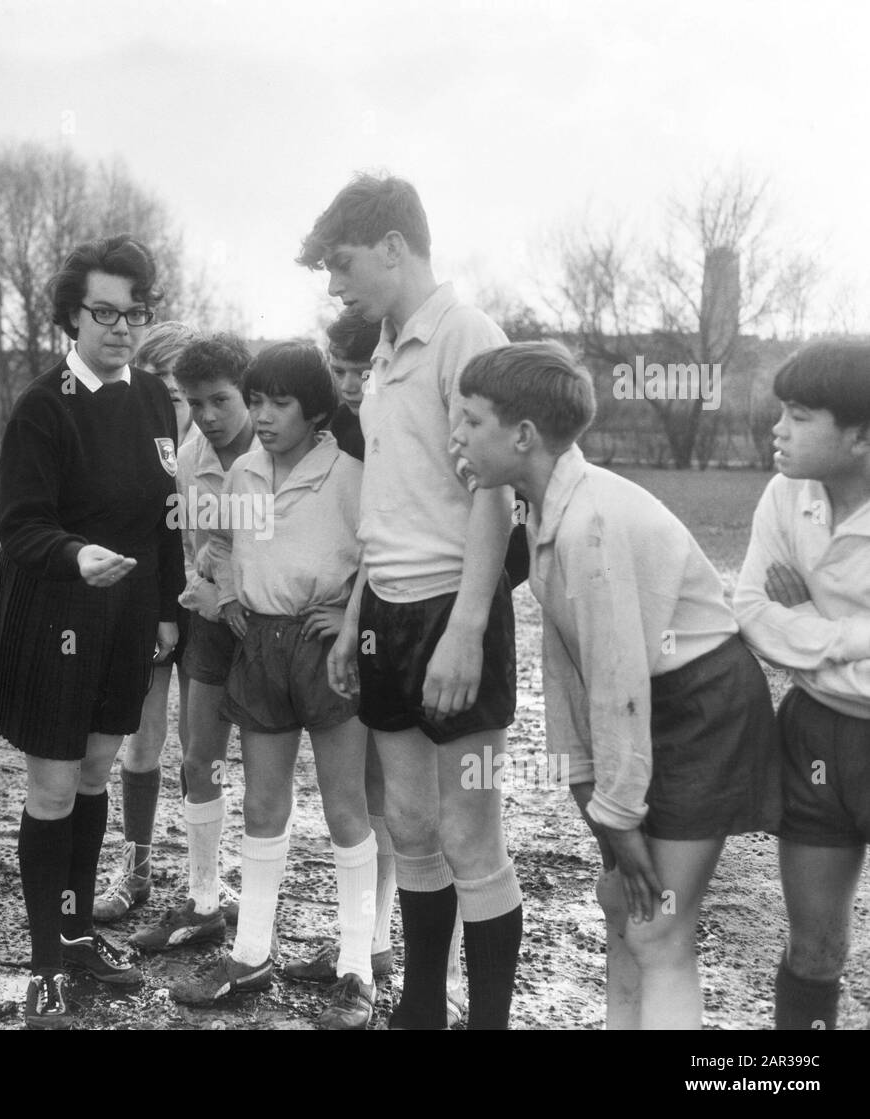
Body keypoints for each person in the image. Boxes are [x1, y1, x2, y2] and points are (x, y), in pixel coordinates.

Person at [452, 339, 781, 1028]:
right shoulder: (546, 509)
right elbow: (571, 665)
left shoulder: (590, 522)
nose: (457, 433)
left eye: (471, 419)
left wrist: (620, 811)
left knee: (659, 925)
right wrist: (587, 786)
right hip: (653, 706)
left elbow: (618, 675)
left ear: (523, 435)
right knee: (622, 903)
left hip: (702, 709)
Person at [302, 174, 522, 1029]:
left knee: (473, 835)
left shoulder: (469, 337)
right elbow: (387, 507)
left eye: (343, 263)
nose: (335, 284)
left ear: (395, 246)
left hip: (455, 612)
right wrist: (357, 615)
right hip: (386, 612)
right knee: (414, 827)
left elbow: (494, 496)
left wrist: (467, 628)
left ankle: (490, 1020)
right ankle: (421, 1009)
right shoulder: (385, 349)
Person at [0, 235, 184, 1029]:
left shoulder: (157, 398)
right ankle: (45, 966)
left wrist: (164, 606)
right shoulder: (42, 405)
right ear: (71, 315)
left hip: (127, 616)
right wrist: (76, 554)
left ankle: (76, 930)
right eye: (106, 310)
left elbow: (165, 522)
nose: (123, 325)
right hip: (57, 610)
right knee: (56, 785)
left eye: (136, 311)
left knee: (98, 772)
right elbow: (20, 528)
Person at [167, 341, 377, 1028]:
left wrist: (349, 614)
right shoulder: (245, 473)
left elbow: (379, 555)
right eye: (254, 400)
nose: (261, 414)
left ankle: (355, 968)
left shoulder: (348, 474)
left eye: (278, 402)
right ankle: (251, 953)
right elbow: (224, 545)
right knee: (263, 804)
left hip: (325, 652)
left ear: (316, 409)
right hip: (260, 646)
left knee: (347, 807)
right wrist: (224, 592)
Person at [278, 311, 466, 1024]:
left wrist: (452, 614)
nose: (354, 383)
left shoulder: (417, 422)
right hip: (370, 635)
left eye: (365, 369)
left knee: (430, 813)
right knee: (376, 801)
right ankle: (372, 943)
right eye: (343, 369)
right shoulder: (342, 434)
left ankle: (433, 979)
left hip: (429, 628)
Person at [733, 340, 870, 1030]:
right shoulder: (785, 493)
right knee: (814, 945)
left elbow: (784, 626)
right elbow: (754, 613)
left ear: (861, 433)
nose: (777, 430)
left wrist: (806, 617)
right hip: (816, 724)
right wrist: (850, 632)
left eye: (800, 415)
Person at [129, 333, 254, 952]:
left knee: (266, 773)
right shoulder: (188, 455)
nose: (205, 415)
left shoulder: (288, 447)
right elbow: (189, 547)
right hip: (209, 623)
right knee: (197, 758)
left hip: (268, 625)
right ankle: (204, 901)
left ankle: (257, 922)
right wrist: (200, 583)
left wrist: (229, 578)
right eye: (193, 403)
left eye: (219, 402)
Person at [95, 321, 200, 923]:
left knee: (201, 746)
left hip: (205, 608)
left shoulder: (216, 449)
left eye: (181, 392)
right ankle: (135, 871)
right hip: (152, 610)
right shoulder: (134, 443)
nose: (171, 403)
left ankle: (201, 878)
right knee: (143, 736)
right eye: (161, 387)